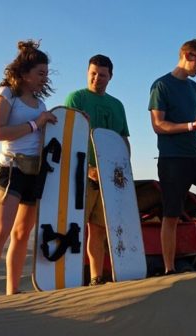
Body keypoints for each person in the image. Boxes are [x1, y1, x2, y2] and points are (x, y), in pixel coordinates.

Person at [0, 40, 57, 298]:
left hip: (35, 171)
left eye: (46, 74)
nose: (44, 79)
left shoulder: (39, 104)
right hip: (11, 169)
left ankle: (13, 292)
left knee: (22, 233)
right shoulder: (6, 93)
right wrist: (35, 124)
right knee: (1, 230)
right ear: (25, 72)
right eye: (40, 73)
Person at [65, 54, 130, 286]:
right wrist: (89, 168)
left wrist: (124, 170)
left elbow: (123, 139)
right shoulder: (76, 98)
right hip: (81, 174)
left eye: (102, 75)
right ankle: (68, 278)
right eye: (93, 73)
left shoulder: (117, 105)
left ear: (110, 77)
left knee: (99, 230)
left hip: (110, 178)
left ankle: (96, 278)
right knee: (74, 228)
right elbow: (68, 135)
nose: (96, 78)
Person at [148, 39, 196, 274]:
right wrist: (193, 126)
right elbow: (158, 125)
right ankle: (169, 269)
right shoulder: (161, 85)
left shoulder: (194, 88)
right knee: (172, 213)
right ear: (187, 55)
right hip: (172, 159)